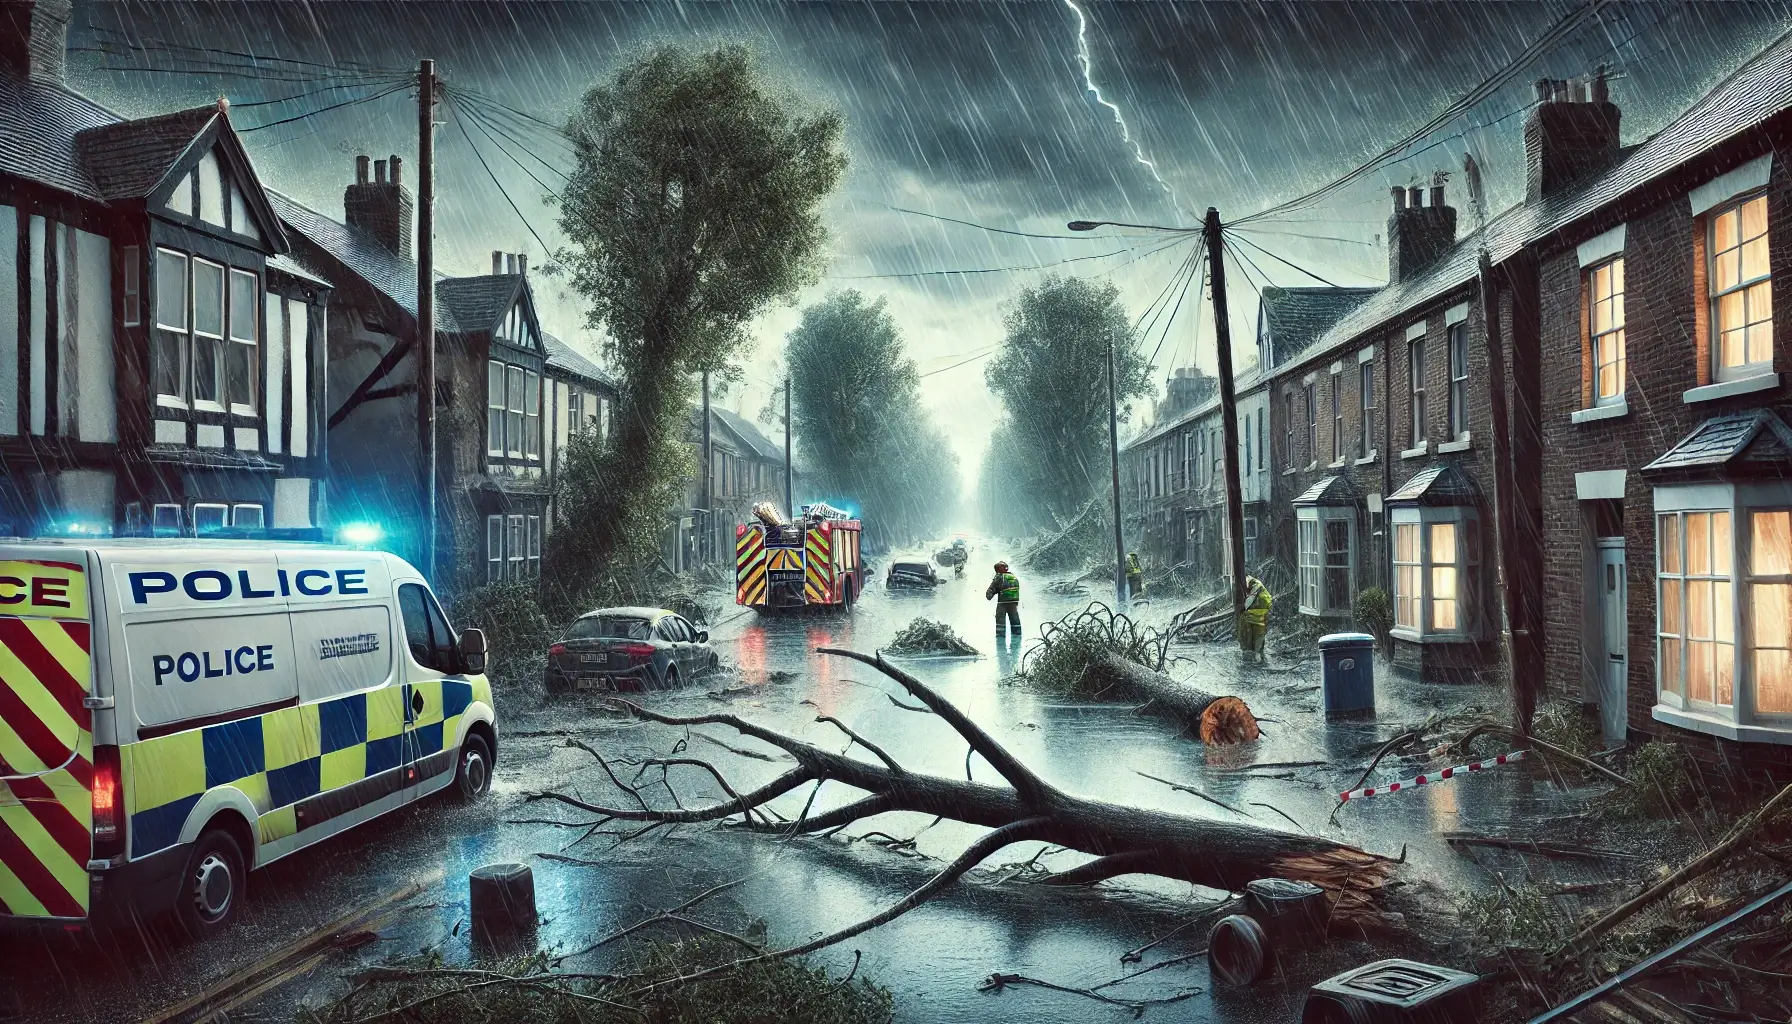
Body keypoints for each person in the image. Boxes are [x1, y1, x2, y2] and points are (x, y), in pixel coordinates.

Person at [1239, 575, 1272, 663]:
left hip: (1260, 608)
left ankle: (1256, 654)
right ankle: (1259, 653)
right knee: (1259, 630)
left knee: (1256, 630)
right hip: (1262, 609)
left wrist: (1243, 608)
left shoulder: (1254, 585)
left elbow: (1249, 600)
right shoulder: (1254, 583)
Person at [986, 561, 1021, 641]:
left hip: (1003, 603)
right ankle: (1017, 636)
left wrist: (989, 596)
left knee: (1000, 622)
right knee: (1015, 621)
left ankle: (1000, 639)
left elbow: (992, 589)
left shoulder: (999, 577)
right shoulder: (1013, 576)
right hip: (1014, 602)